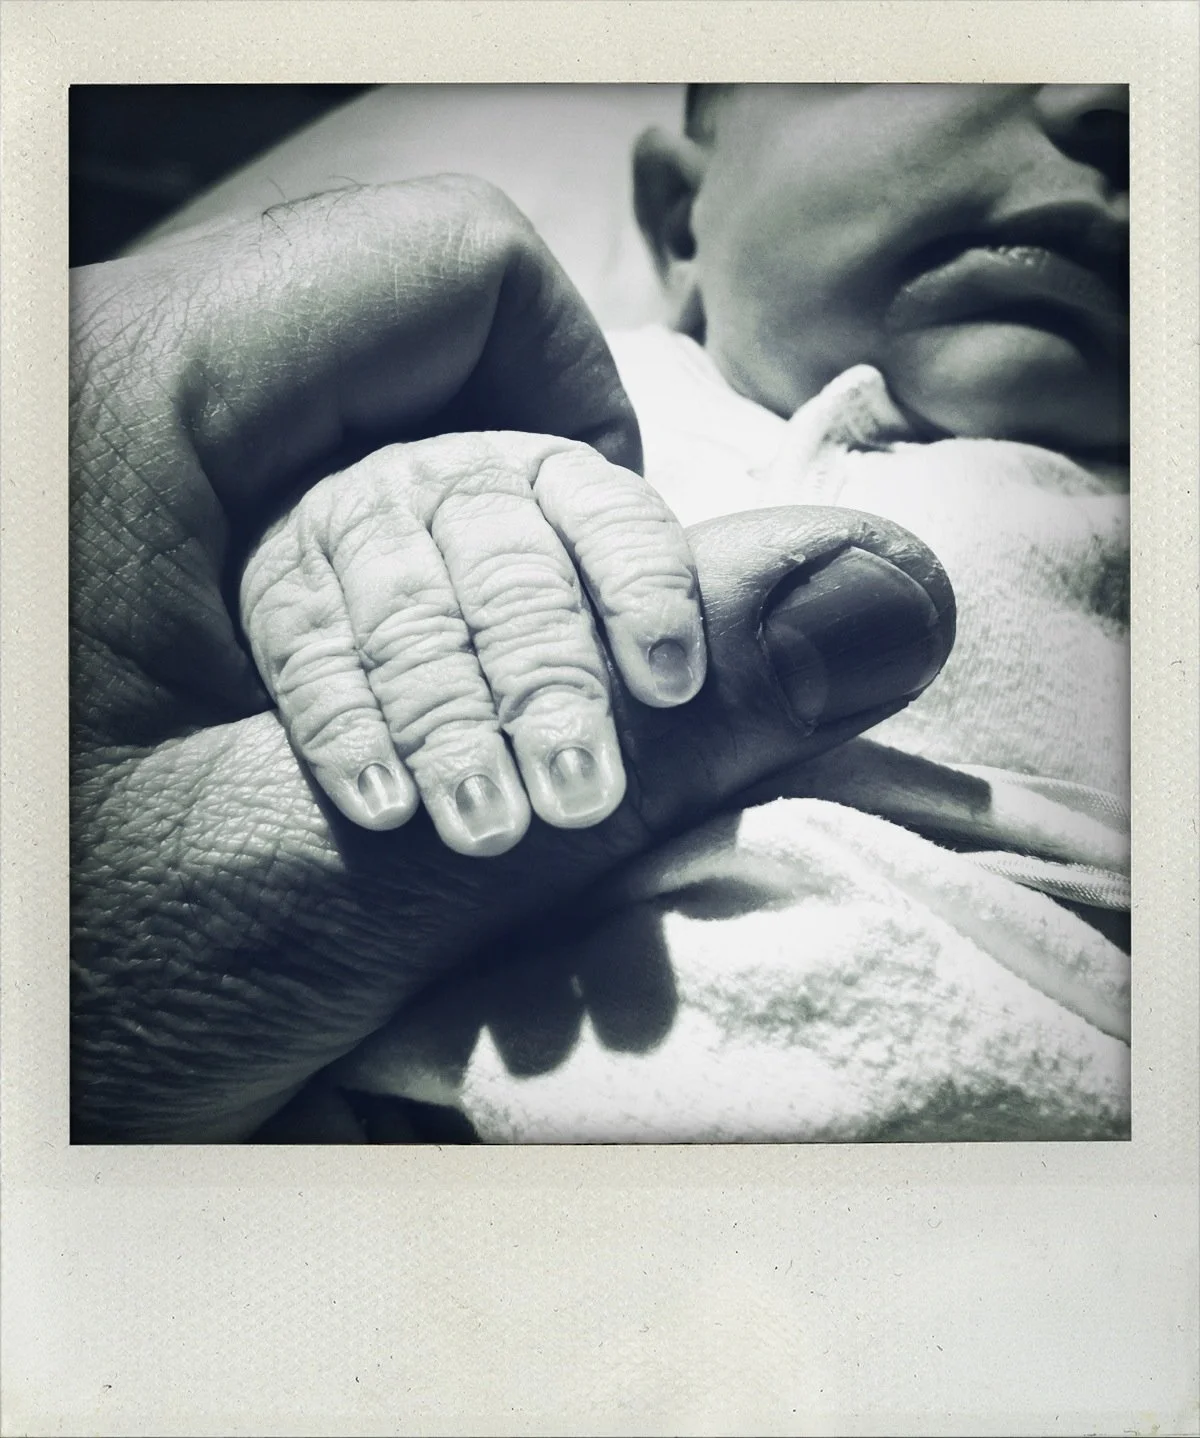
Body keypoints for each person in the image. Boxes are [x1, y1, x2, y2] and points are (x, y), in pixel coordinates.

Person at [243, 84, 1129, 1142]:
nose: (1107, 99)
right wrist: (376, 532)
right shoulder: (537, 404)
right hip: (429, 1134)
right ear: (679, 220)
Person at [69, 175, 954, 1142]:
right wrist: (389, 516)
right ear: (681, 210)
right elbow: (336, 587)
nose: (1089, 107)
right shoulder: (598, 403)